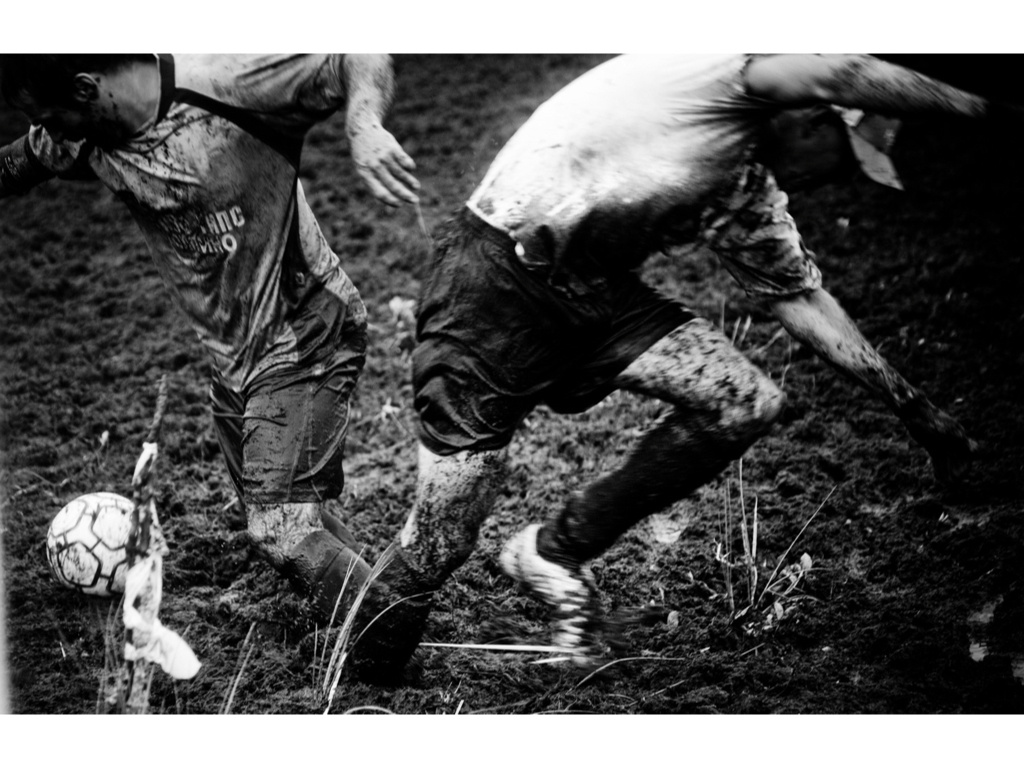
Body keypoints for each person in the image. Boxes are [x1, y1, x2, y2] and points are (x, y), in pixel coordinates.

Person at [349, 54, 1010, 678]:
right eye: (841, 160)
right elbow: (845, 68)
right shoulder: (725, 75)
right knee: (441, 537)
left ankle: (553, 553)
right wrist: (980, 108)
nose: (829, 179)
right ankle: (364, 674)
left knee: (744, 401)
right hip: (493, 281)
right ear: (815, 116)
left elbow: (801, 299)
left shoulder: (746, 187)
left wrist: (921, 415)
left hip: (596, 295)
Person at [0, 54, 419, 629]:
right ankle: (374, 596)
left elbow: (359, 55)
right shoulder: (82, 134)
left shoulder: (226, 81)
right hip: (233, 362)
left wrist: (363, 126)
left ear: (86, 89)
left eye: (48, 116)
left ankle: (387, 641)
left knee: (278, 524)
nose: (45, 131)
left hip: (304, 331)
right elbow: (15, 166)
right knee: (291, 521)